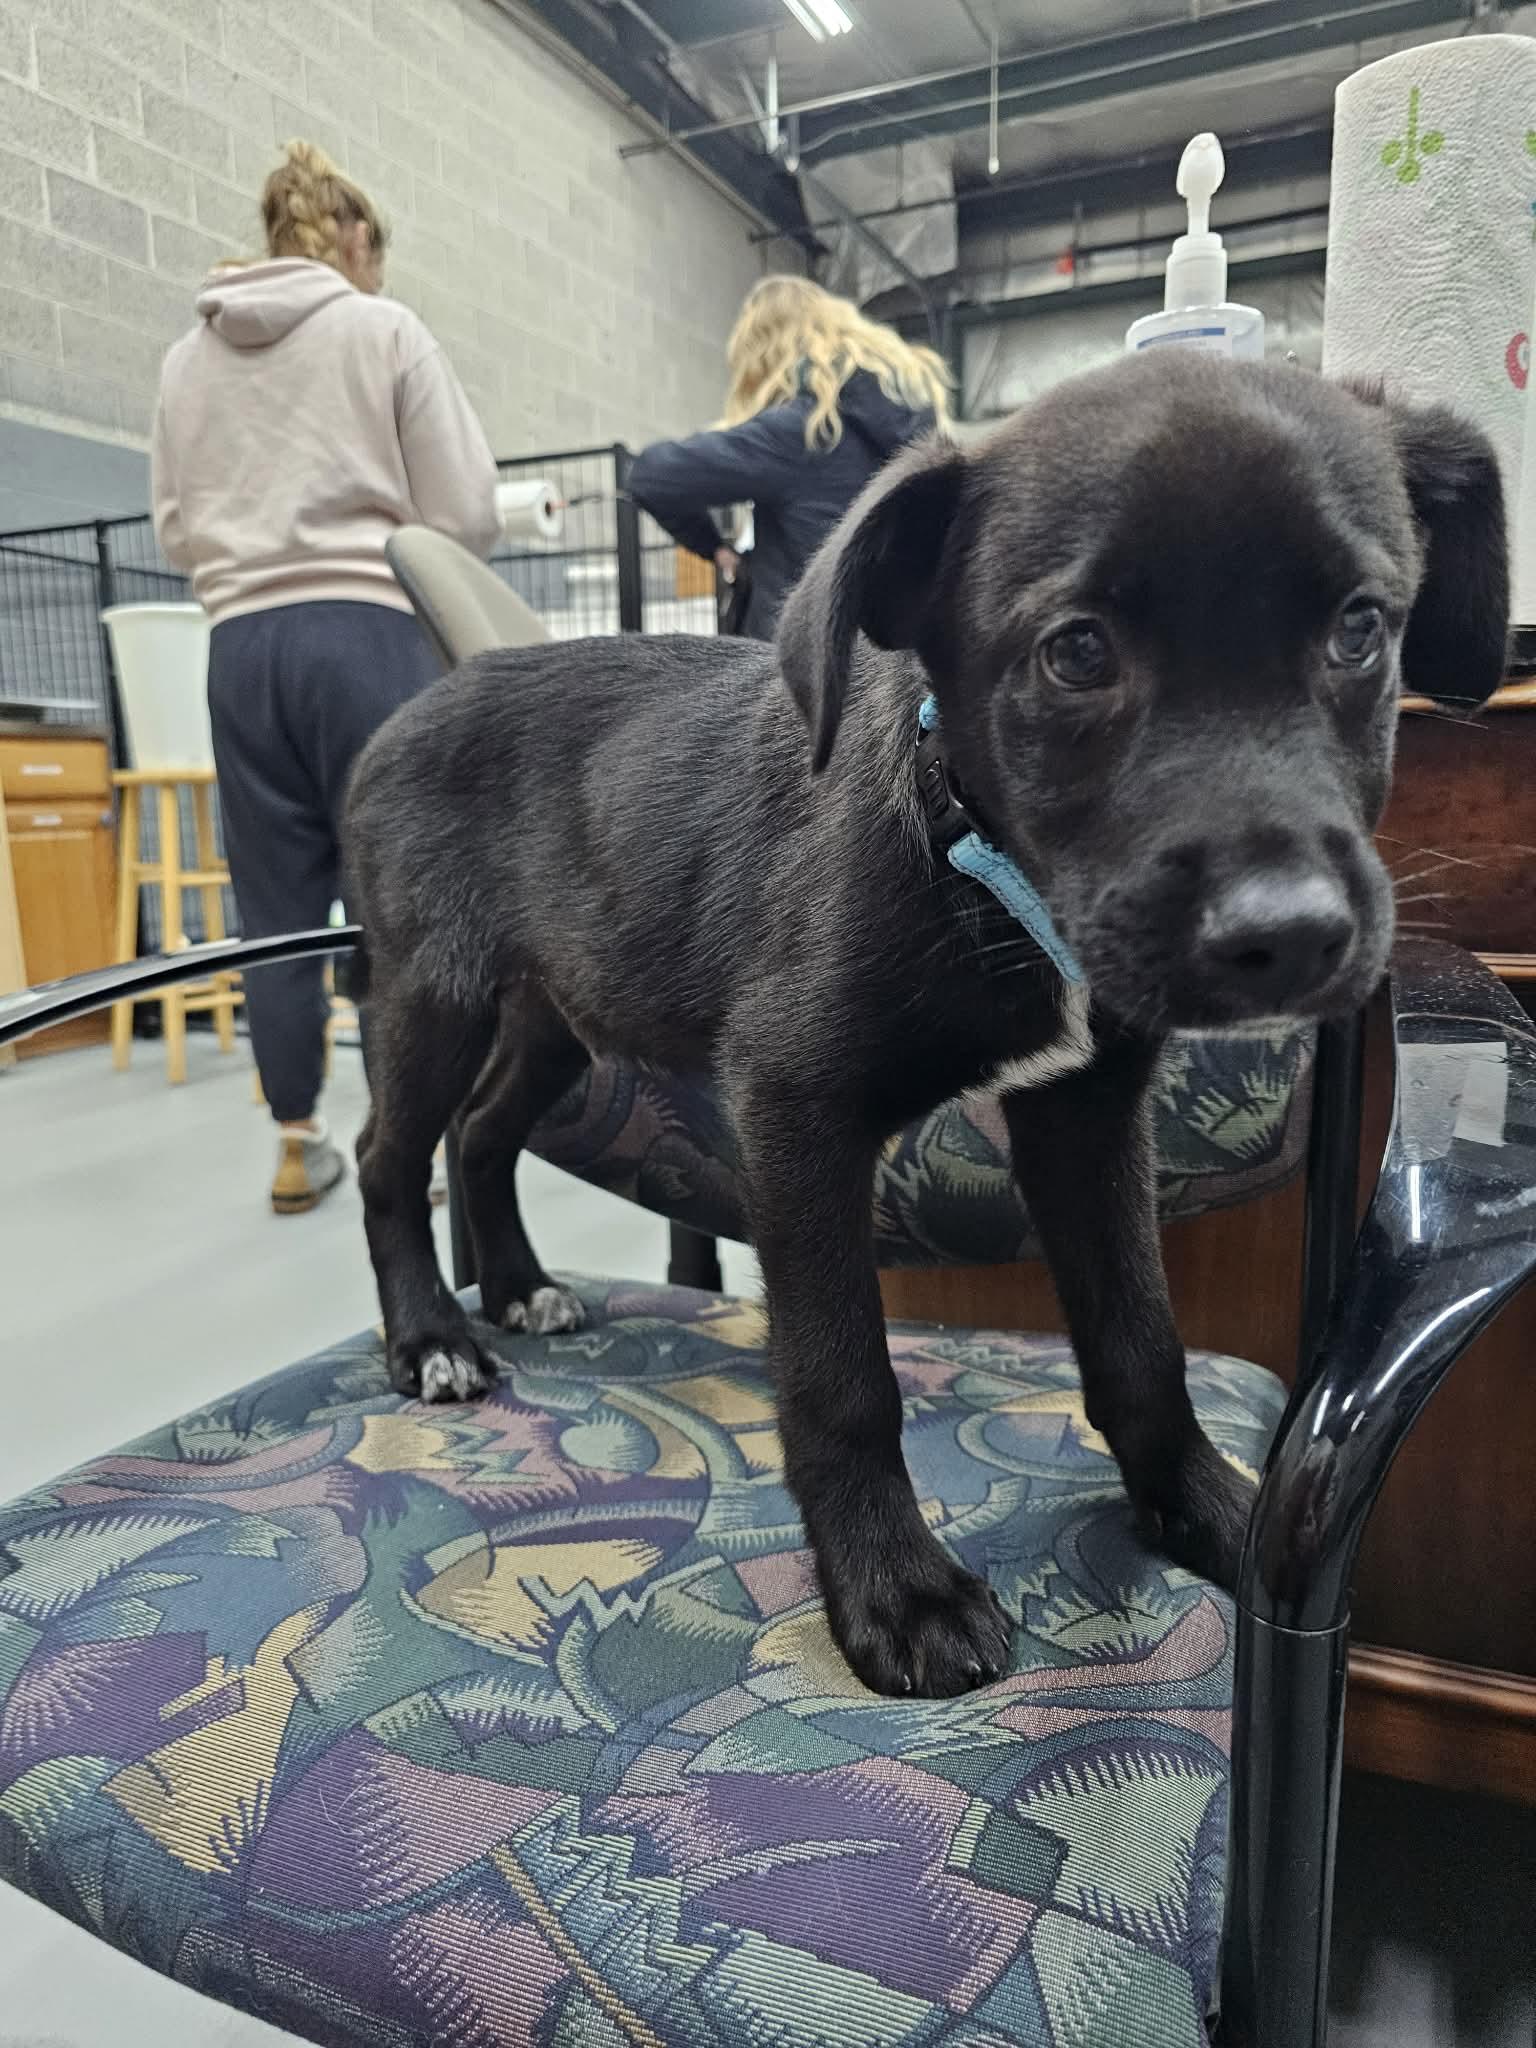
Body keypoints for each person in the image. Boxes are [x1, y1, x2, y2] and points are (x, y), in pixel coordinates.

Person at [152, 141, 500, 1215]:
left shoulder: (184, 361)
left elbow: (174, 530)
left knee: (275, 906)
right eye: (376, 253)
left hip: (238, 645)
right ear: (353, 239)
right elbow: (466, 509)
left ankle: (296, 1140)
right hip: (366, 630)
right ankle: (417, 1142)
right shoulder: (381, 330)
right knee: (395, 901)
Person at [628, 275, 951, 641]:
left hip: (798, 663)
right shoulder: (921, 440)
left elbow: (651, 476)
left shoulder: (803, 432)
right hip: (892, 664)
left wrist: (715, 549)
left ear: (764, 352)